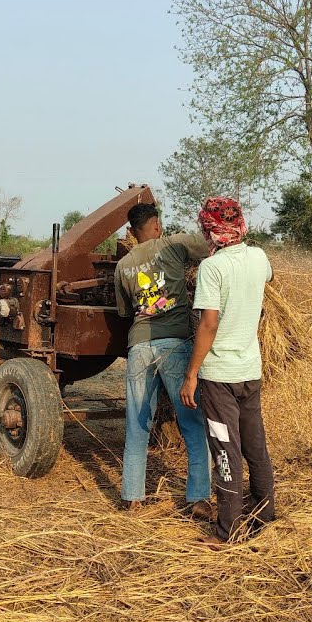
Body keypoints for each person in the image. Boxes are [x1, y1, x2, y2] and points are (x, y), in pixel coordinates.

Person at [180, 196, 276, 547]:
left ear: (209, 228)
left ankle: (228, 531)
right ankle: (264, 518)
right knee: (255, 447)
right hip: (251, 370)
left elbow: (208, 324)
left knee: (224, 449)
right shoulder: (259, 257)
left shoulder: (212, 268)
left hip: (220, 376)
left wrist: (191, 375)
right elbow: (269, 276)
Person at [114, 202, 214, 520]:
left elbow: (123, 312)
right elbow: (209, 250)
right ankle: (198, 498)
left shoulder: (123, 265)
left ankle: (132, 497)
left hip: (139, 346)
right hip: (175, 345)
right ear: (156, 225)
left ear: (131, 232)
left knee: (137, 424)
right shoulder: (173, 244)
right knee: (193, 425)